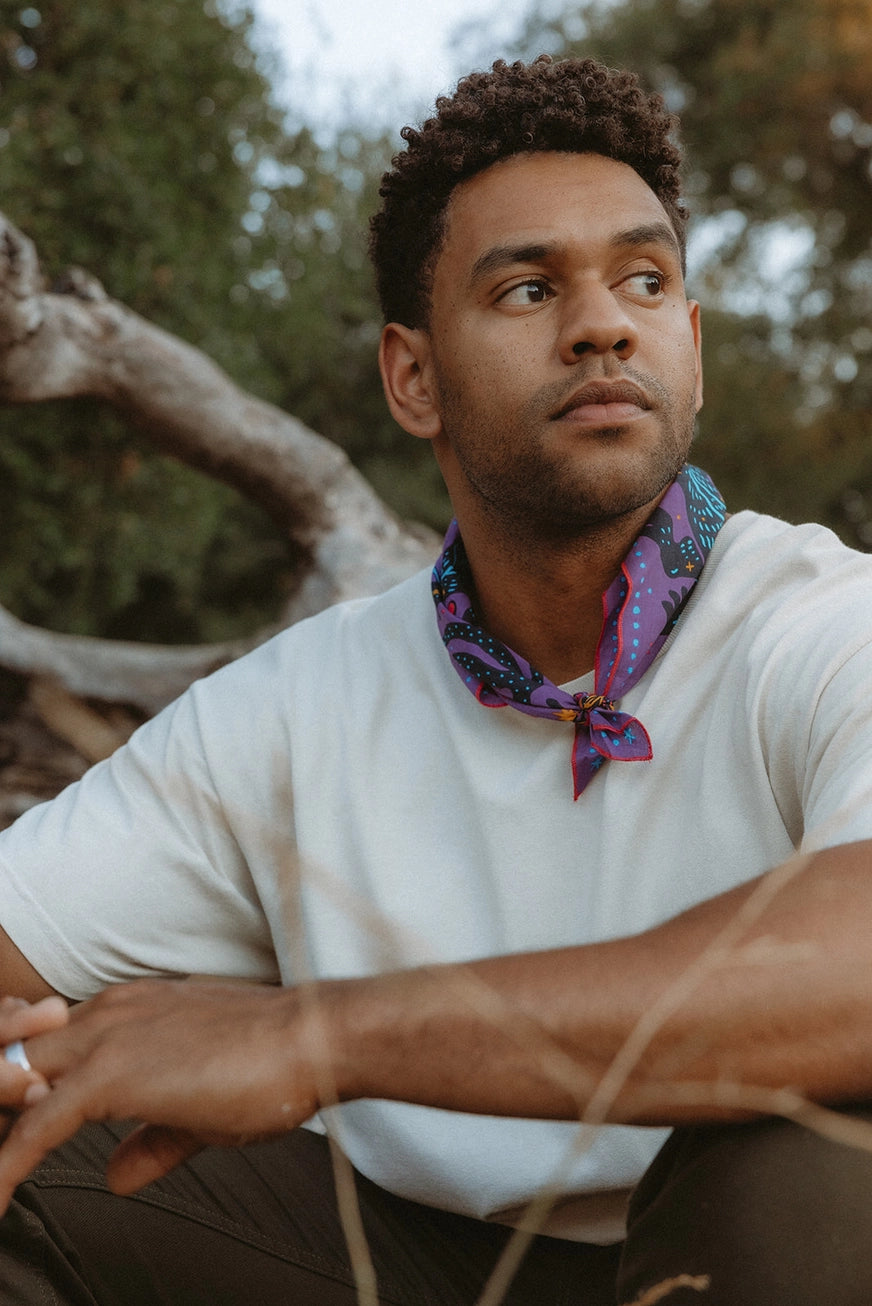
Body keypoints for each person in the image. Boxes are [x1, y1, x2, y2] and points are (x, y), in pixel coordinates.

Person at [1, 53, 872, 1305]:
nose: (600, 323)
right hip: (397, 1261)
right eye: (527, 288)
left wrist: (313, 1037)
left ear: (690, 344)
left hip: (737, 1250)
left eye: (642, 279)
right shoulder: (307, 697)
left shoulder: (820, 619)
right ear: (413, 377)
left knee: (811, 1181)